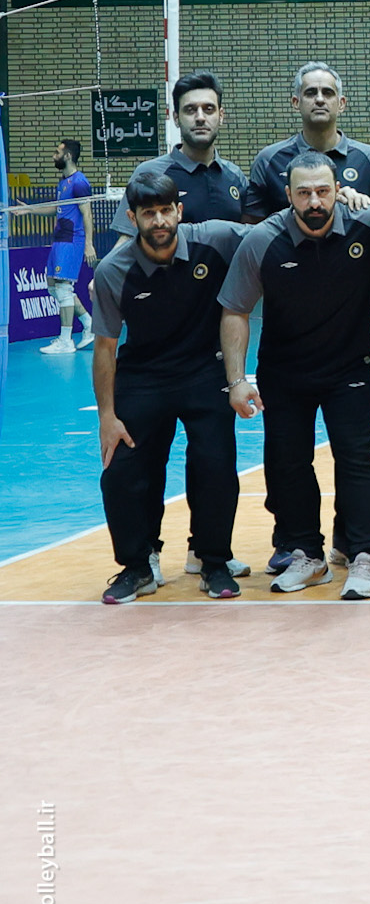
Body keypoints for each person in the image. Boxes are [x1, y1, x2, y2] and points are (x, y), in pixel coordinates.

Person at [219, 154, 370, 596]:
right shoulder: (262, 240)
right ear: (288, 195)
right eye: (304, 193)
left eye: (323, 191)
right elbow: (235, 310)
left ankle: (363, 556)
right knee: (288, 462)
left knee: (355, 457)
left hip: (349, 369)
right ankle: (307, 555)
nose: (315, 202)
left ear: (338, 190)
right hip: (285, 373)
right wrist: (237, 380)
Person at [92, 170, 253, 603]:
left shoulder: (214, 239)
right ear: (132, 219)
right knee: (122, 472)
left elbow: (269, 233)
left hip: (204, 371)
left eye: (166, 211)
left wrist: (346, 198)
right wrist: (107, 417)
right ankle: (137, 565)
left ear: (179, 211)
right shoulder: (113, 271)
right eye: (149, 214)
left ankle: (213, 561)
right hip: (143, 375)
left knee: (215, 464)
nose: (160, 221)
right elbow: (105, 348)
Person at [246, 62, 370, 219]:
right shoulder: (268, 160)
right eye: (310, 93)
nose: (319, 99)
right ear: (296, 103)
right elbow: (253, 226)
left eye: (328, 93)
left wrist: (362, 207)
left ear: (341, 103)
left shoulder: (369, 159)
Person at [110, 72, 247, 242]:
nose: (200, 118)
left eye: (208, 109)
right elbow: (127, 242)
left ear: (221, 116)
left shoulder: (236, 176)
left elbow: (249, 239)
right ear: (176, 118)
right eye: (190, 110)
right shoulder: (149, 173)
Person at [39, 139, 97, 354]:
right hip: (59, 238)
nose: (54, 156)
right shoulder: (63, 182)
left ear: (68, 156)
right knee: (53, 286)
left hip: (72, 239)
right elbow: (56, 208)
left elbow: (87, 214)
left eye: (57, 152)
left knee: (63, 288)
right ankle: (89, 323)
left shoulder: (80, 182)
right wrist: (28, 210)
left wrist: (89, 244)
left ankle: (66, 341)